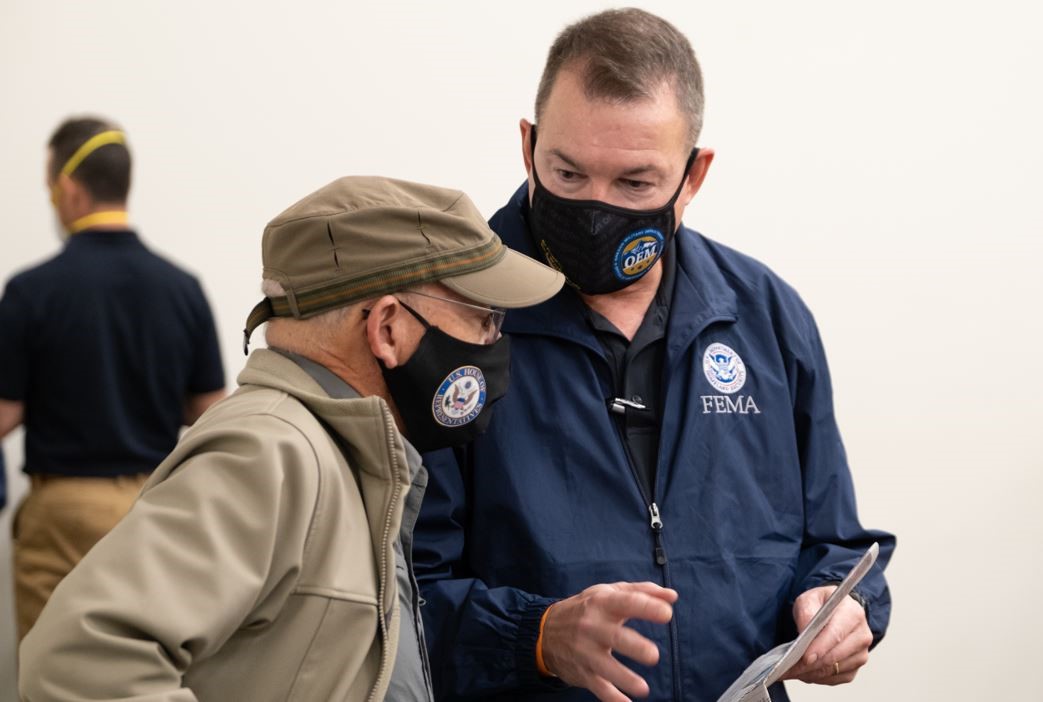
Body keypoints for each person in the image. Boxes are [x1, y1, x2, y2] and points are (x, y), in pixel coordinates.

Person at [414, 9, 897, 702]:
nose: (595, 208)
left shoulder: (766, 314)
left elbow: (834, 542)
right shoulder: (444, 320)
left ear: (693, 175)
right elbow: (390, 604)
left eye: (635, 184)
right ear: (527, 147)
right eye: (567, 173)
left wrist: (844, 607)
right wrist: (538, 637)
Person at [19, 175, 565, 701]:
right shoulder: (270, 453)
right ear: (389, 328)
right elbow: (80, 658)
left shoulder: (344, 458)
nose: (495, 340)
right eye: (484, 318)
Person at [0, 116, 226, 641]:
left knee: (52, 672)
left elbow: (5, 414)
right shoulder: (182, 289)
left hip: (61, 514)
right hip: (152, 507)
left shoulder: (31, 291)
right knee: (141, 669)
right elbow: (212, 412)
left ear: (70, 190)